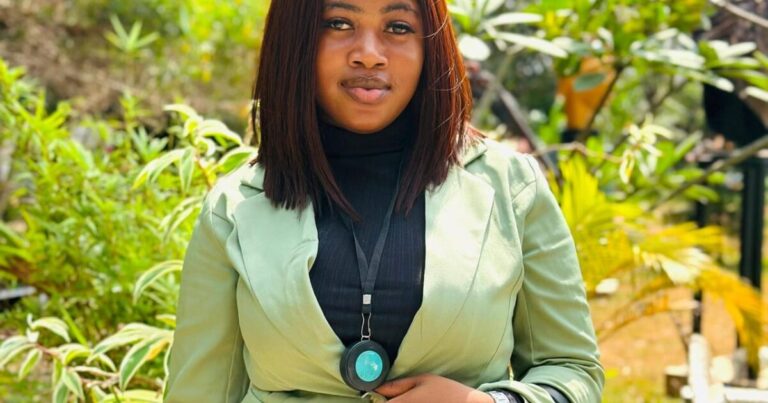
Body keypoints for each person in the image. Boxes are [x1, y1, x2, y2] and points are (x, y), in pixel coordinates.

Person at [164, 0, 604, 402]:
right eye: (339, 23)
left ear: (430, 45)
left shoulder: (512, 188)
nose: (369, 54)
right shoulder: (233, 209)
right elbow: (197, 394)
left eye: (398, 26)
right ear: (294, 39)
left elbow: (573, 372)